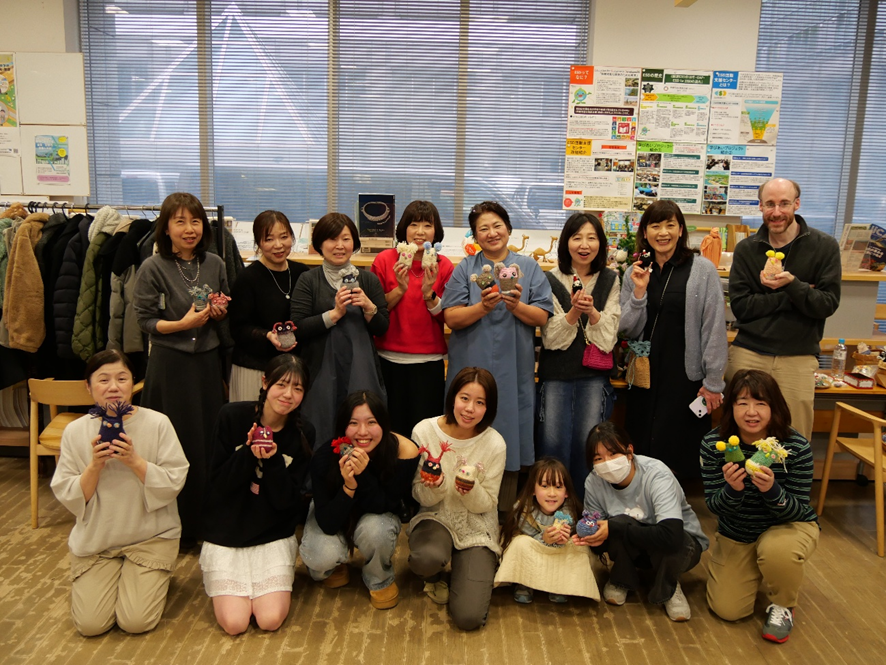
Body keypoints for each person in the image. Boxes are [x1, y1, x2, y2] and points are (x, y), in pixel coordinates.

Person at [50, 350, 189, 636]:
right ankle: (125, 577)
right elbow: (68, 493)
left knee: (135, 622)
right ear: (88, 386)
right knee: (90, 625)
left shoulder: (158, 423)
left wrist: (134, 461)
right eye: (103, 380)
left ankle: (153, 574)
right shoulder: (75, 431)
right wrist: (94, 466)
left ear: (133, 383)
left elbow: (175, 479)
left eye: (122, 378)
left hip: (150, 537)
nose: (113, 387)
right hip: (98, 541)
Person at [133, 192, 229, 547]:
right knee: (170, 443)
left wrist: (219, 311)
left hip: (206, 364)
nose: (189, 229)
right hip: (170, 365)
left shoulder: (215, 263)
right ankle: (170, 526)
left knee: (207, 442)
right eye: (180, 222)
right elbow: (144, 320)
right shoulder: (152, 267)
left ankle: (204, 524)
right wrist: (181, 324)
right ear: (166, 228)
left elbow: (223, 304)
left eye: (195, 221)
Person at [442, 202, 552, 505]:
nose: (491, 233)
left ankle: (503, 507)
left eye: (497, 225)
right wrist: (482, 307)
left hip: (513, 366)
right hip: (470, 362)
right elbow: (451, 317)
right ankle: (455, 501)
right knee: (466, 421)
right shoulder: (465, 268)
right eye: (483, 229)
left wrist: (516, 306)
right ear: (475, 235)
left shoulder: (528, 267)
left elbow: (542, 316)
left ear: (508, 228)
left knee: (509, 427)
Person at [700, 369, 819, 644]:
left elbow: (798, 509)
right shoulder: (714, 444)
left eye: (761, 403)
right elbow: (714, 506)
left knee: (776, 551)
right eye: (742, 403)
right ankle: (755, 568)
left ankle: (784, 604)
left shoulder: (795, 446)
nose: (751, 412)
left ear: (774, 407)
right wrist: (732, 489)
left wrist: (772, 490)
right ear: (731, 407)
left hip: (787, 526)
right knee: (727, 610)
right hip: (737, 531)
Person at [200, 354, 314, 635]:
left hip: (272, 533)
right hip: (227, 533)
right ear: (265, 383)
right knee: (234, 623)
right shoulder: (232, 416)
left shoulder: (303, 433)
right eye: (281, 384)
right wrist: (248, 454)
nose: (288, 395)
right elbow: (219, 485)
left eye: (297, 388)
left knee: (269, 620)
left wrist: (273, 460)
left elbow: (287, 502)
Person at [619, 200, 727, 480]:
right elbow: (627, 328)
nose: (663, 232)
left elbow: (714, 327)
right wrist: (639, 293)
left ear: (681, 230)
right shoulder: (635, 271)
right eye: (655, 226)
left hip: (685, 375)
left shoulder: (702, 270)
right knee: (642, 440)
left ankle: (674, 499)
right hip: (644, 373)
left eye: (670, 225)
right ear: (645, 232)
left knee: (677, 444)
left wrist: (713, 381)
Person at [727, 178, 841, 441]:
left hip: (798, 356)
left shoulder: (824, 247)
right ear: (760, 206)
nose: (776, 212)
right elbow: (742, 308)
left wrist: (792, 284)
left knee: (794, 436)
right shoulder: (747, 249)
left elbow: (825, 304)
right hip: (749, 352)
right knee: (739, 434)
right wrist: (792, 295)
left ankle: (790, 472)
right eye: (770, 204)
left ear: (796, 204)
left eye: (784, 204)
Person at [299, 391, 419, 610]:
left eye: (371, 422)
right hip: (334, 512)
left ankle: (378, 576)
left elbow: (386, 505)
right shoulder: (324, 457)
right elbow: (328, 523)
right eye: (353, 423)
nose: (363, 432)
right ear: (342, 427)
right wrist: (349, 487)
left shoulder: (402, 452)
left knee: (378, 530)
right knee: (321, 557)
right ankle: (335, 564)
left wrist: (362, 475)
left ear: (384, 425)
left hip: (375, 513)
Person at [408, 367, 506, 631]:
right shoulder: (424, 431)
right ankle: (434, 575)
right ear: (452, 397)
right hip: (435, 516)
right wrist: (438, 486)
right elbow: (418, 494)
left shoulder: (495, 443)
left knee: (468, 617)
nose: (470, 409)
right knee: (426, 558)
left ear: (489, 407)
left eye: (480, 402)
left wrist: (470, 489)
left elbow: (488, 503)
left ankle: (469, 570)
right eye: (464, 398)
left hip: (477, 525)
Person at [578, 421, 708, 622]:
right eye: (598, 458)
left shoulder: (656, 474)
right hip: (636, 546)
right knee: (618, 523)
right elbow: (599, 535)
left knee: (626, 526)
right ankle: (621, 579)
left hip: (680, 545)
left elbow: (672, 537)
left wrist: (615, 527)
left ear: (629, 451)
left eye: (613, 454)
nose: (607, 463)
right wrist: (592, 536)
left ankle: (670, 584)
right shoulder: (594, 481)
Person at [538, 212, 620, 499]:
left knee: (590, 445)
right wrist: (574, 311)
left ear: (601, 244)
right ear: (566, 242)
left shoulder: (610, 279)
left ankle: (587, 507)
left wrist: (592, 311)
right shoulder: (548, 279)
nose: (584, 245)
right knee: (552, 444)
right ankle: (552, 504)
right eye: (577, 238)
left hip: (594, 377)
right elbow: (551, 339)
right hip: (556, 375)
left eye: (591, 238)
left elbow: (609, 338)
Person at [290, 212, 389, 446]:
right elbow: (298, 327)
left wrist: (369, 308)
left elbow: (382, 327)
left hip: (361, 366)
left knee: (361, 423)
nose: (339, 246)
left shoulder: (368, 280)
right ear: (319, 244)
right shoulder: (308, 280)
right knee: (320, 426)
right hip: (320, 367)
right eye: (332, 239)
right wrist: (334, 314)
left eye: (345, 239)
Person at [370, 200, 454, 436]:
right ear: (403, 228)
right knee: (390, 432)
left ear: (436, 231)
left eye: (427, 225)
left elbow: (448, 317)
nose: (420, 232)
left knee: (425, 434)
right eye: (413, 225)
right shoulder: (385, 260)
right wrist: (400, 289)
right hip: (387, 358)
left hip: (428, 362)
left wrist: (429, 294)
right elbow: (374, 312)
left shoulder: (443, 265)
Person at [228, 210, 309, 402]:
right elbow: (238, 329)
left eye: (284, 237)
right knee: (253, 418)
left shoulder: (302, 273)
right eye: (269, 239)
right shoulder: (247, 278)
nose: (278, 245)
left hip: (293, 370)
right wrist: (267, 336)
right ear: (259, 242)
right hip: (254, 367)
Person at [494, 457, 599, 604]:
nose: (552, 493)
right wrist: (544, 539)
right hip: (533, 556)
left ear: (566, 492)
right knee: (520, 543)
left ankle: (559, 585)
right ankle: (524, 583)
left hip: (558, 559)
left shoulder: (571, 512)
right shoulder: (523, 511)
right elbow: (519, 541)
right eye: (544, 486)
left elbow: (577, 536)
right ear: (533, 489)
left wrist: (566, 539)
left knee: (578, 548)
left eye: (558, 487)